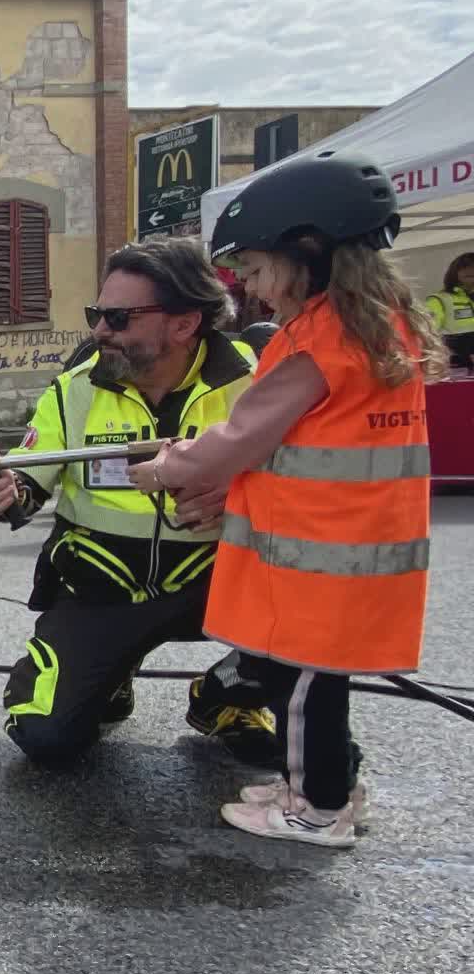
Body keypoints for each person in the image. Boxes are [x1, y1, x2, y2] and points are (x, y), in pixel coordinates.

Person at [129, 148, 446, 847]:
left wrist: (167, 465)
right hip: (353, 544)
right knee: (306, 678)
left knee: (301, 686)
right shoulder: (380, 327)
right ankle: (329, 783)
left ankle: (319, 807)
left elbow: (241, 436)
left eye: (257, 271)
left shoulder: (317, 344)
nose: (252, 290)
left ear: (309, 250)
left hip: (314, 551)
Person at [0, 236, 280, 767]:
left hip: (221, 583)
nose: (99, 330)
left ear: (183, 324)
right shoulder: (78, 386)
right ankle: (110, 678)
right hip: (101, 588)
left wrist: (247, 497)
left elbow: (317, 485)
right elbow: (28, 482)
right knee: (46, 739)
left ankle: (227, 693)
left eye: (117, 318)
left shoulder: (260, 378)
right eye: (97, 314)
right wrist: (3, 494)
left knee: (315, 602)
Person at [424, 251, 474, 370]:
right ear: (454, 275)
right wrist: (462, 357)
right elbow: (427, 337)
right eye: (469, 275)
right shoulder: (438, 300)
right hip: (457, 369)